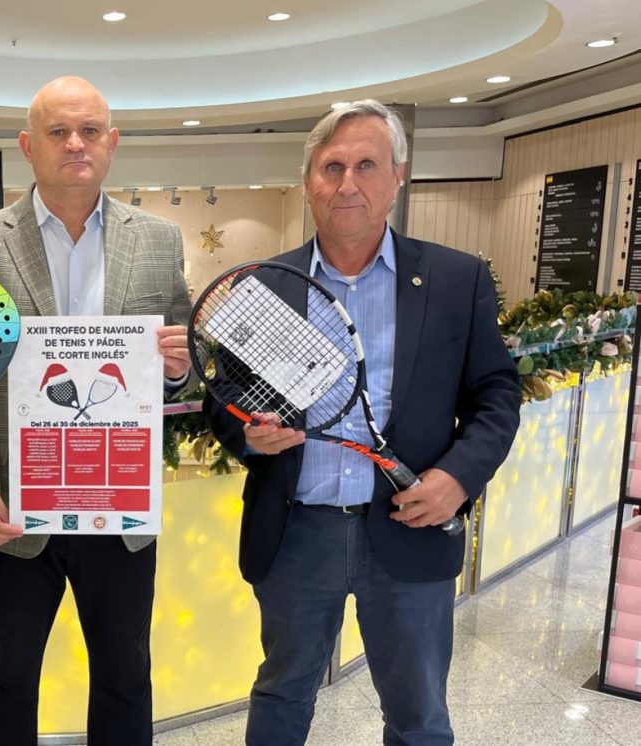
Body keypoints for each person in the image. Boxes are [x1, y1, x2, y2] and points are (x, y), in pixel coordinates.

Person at [203, 99, 521, 745]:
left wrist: (458, 479)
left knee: (419, 717)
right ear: (308, 182)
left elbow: (495, 394)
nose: (348, 183)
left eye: (367, 165)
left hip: (410, 531)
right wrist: (248, 434)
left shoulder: (455, 279)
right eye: (332, 167)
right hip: (296, 535)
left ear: (397, 177)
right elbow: (224, 396)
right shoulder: (265, 285)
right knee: (281, 695)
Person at [0, 76, 193, 744]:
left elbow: (180, 365)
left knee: (124, 677)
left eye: (89, 131)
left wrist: (178, 368)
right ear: (29, 146)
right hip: (16, 512)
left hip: (121, 508)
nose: (75, 144)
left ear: (112, 142)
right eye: (58, 132)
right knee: (9, 680)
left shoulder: (159, 241)